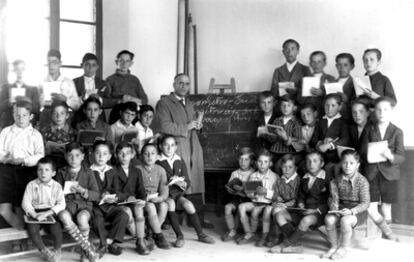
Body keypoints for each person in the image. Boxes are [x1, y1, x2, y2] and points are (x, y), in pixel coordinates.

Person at [156, 135, 215, 247]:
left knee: (189, 205)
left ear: (176, 147)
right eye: (166, 145)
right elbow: (156, 180)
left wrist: (183, 184)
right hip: (164, 194)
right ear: (160, 146)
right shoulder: (158, 161)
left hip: (177, 194)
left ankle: (201, 234)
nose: (169, 148)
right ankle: (179, 236)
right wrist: (169, 181)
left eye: (172, 145)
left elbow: (187, 180)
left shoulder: (179, 160)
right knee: (171, 204)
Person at [153, 74, 205, 195]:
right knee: (179, 181)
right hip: (177, 146)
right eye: (180, 83)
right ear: (174, 85)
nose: (184, 86)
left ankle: (194, 207)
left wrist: (198, 126)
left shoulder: (189, 103)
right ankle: (180, 209)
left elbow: (192, 125)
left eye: (187, 84)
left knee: (194, 181)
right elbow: (163, 126)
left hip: (193, 145)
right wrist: (187, 127)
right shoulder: (164, 103)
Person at [270, 152, 330, 254]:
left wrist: (316, 210)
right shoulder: (304, 179)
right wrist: (301, 204)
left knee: (306, 220)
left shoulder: (327, 179)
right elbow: (301, 196)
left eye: (315, 161)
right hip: (304, 211)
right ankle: (295, 245)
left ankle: (285, 244)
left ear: (322, 163)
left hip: (319, 213)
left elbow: (330, 200)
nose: (311, 164)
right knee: (279, 215)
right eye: (308, 161)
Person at [362, 97, 404, 241]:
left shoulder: (397, 131)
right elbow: (362, 151)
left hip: (389, 173)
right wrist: (369, 152)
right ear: (375, 111)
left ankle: (386, 237)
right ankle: (388, 234)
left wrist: (390, 156)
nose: (381, 112)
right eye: (378, 109)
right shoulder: (369, 128)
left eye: (385, 109)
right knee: (370, 208)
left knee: (386, 208)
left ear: (391, 111)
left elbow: (401, 156)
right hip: (372, 173)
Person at [0, 100, 44, 231]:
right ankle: (22, 231)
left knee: (21, 208)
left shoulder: (35, 134)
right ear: (13, 115)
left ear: (31, 116)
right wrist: (5, 158)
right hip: (5, 171)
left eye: (24, 115)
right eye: (17, 115)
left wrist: (23, 160)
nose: (20, 118)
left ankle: (23, 238)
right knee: (4, 210)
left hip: (26, 172)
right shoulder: (6, 132)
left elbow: (40, 155)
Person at [55, 142, 100, 262]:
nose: (73, 159)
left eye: (77, 155)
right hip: (66, 205)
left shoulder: (89, 172)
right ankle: (87, 249)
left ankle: (83, 251)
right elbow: (55, 193)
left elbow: (96, 194)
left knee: (82, 219)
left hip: (83, 205)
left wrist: (83, 191)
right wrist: (63, 192)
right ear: (65, 156)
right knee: (63, 216)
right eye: (70, 155)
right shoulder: (61, 172)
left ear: (83, 156)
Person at [323, 150, 370, 260]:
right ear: (341, 164)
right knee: (329, 219)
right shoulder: (335, 180)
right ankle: (334, 246)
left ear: (357, 165)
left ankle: (344, 247)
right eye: (345, 162)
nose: (348, 166)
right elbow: (333, 198)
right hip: (341, 208)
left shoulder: (362, 181)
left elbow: (365, 203)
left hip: (358, 211)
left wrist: (352, 211)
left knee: (346, 220)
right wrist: (335, 209)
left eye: (352, 163)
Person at [21, 157, 65, 262]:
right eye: (40, 170)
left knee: (56, 228)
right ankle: (44, 251)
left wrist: (47, 213)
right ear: (37, 171)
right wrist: (34, 214)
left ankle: (57, 250)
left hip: (49, 212)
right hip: (34, 212)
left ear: (53, 173)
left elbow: (61, 204)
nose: (43, 173)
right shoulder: (31, 185)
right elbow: (25, 203)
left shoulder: (57, 186)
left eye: (47, 170)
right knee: (32, 228)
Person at [90, 140, 129, 257]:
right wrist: (100, 196)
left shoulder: (112, 171)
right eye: (98, 153)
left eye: (104, 153)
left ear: (109, 156)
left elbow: (118, 190)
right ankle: (103, 243)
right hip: (95, 206)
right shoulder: (88, 171)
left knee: (123, 215)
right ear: (92, 154)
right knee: (97, 220)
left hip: (110, 205)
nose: (101, 156)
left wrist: (115, 197)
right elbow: (88, 191)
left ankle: (110, 242)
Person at [112, 142, 149, 255]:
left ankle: (140, 241)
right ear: (116, 155)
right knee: (127, 211)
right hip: (119, 202)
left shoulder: (136, 171)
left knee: (138, 209)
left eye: (127, 153)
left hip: (133, 201)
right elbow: (115, 191)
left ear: (132, 155)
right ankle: (139, 237)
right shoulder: (113, 171)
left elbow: (141, 189)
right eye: (121, 153)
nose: (124, 156)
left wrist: (143, 198)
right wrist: (127, 197)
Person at [237, 149, 278, 245]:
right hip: (255, 202)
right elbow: (249, 194)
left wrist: (266, 192)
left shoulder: (275, 177)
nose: (262, 164)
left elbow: (277, 196)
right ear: (256, 163)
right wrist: (253, 194)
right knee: (241, 206)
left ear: (270, 163)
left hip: (268, 204)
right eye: (260, 162)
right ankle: (248, 232)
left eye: (265, 162)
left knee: (256, 212)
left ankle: (264, 235)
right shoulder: (253, 176)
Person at [136, 143, 171, 249]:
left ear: (157, 156)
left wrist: (160, 198)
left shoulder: (160, 170)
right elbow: (133, 189)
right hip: (142, 199)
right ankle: (159, 235)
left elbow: (164, 189)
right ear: (141, 156)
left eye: (152, 154)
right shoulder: (137, 169)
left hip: (154, 198)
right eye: (146, 154)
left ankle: (151, 233)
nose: (149, 156)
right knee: (150, 207)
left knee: (164, 205)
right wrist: (144, 197)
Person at [310, 93, 350, 175]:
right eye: (326, 105)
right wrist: (319, 143)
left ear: (339, 107)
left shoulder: (343, 122)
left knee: (330, 169)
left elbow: (345, 140)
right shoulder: (321, 121)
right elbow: (313, 140)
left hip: (335, 157)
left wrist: (330, 145)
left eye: (333, 105)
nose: (329, 109)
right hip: (321, 156)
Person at [39, 49, 81, 127]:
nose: (51, 65)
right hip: (46, 118)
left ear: (60, 63)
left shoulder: (68, 82)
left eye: (54, 62)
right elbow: (37, 106)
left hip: (64, 119)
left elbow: (77, 105)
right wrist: (41, 102)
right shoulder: (41, 82)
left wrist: (66, 100)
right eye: (49, 62)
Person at [221, 147, 255, 242]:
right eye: (241, 159)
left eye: (246, 159)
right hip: (237, 198)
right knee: (227, 207)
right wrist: (232, 190)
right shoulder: (234, 173)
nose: (243, 162)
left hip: (249, 200)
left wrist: (242, 189)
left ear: (251, 161)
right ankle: (232, 230)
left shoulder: (253, 173)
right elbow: (229, 190)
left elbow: (252, 192)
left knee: (241, 208)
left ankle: (247, 232)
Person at [106, 50, 148, 124]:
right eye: (121, 60)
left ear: (131, 63)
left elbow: (145, 100)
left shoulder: (135, 79)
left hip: (133, 115)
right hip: (117, 115)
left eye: (127, 61)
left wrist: (132, 99)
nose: (124, 63)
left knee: (134, 134)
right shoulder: (110, 79)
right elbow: (106, 101)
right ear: (116, 62)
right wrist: (120, 100)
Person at [268, 154, 300, 248]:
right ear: (281, 167)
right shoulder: (279, 181)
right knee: (275, 209)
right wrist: (277, 202)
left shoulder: (298, 181)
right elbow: (275, 195)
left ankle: (280, 236)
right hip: (281, 207)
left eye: (290, 167)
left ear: (295, 168)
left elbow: (297, 198)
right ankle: (279, 235)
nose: (287, 169)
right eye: (284, 167)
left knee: (277, 211)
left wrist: (285, 205)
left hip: (295, 209)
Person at [72, 53, 109, 127]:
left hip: (99, 119)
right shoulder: (74, 82)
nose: (90, 68)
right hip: (80, 118)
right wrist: (81, 99)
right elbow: (71, 103)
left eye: (93, 65)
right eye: (87, 64)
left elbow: (108, 101)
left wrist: (99, 99)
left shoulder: (103, 83)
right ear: (82, 65)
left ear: (97, 67)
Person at [0, 59, 40, 128]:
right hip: (9, 125)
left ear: (25, 71)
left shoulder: (33, 89)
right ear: (13, 71)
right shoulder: (5, 88)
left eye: (22, 69)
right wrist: (9, 101)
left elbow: (37, 110)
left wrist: (27, 101)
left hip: (26, 126)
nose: (19, 72)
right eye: (17, 69)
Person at [268, 94, 302, 172]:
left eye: (289, 105)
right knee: (265, 162)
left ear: (294, 108)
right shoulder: (277, 120)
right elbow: (272, 139)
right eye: (283, 105)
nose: (285, 108)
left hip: (289, 153)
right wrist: (268, 133)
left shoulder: (296, 122)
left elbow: (299, 142)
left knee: (278, 166)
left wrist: (286, 138)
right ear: (280, 107)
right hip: (275, 151)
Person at [40, 101, 76, 169]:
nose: (58, 116)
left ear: (67, 115)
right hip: (48, 164)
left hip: (66, 165)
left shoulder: (72, 132)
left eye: (62, 113)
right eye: (55, 113)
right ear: (51, 115)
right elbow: (41, 150)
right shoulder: (44, 131)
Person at [335, 53, 356, 122]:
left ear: (352, 66)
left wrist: (347, 101)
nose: (342, 68)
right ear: (336, 66)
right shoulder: (331, 83)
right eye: (339, 65)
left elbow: (357, 106)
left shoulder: (355, 84)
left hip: (347, 121)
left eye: (345, 65)